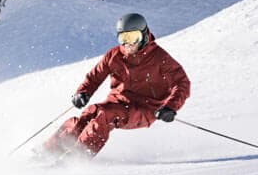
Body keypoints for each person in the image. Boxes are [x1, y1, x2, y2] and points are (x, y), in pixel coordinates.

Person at [43, 12, 190, 159]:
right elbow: (95, 76)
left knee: (105, 115)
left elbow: (182, 82)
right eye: (123, 38)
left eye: (133, 37)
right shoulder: (114, 55)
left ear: (144, 35)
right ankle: (49, 151)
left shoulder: (159, 58)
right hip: (117, 102)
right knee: (89, 112)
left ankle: (78, 156)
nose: (128, 44)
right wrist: (83, 92)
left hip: (145, 108)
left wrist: (170, 106)